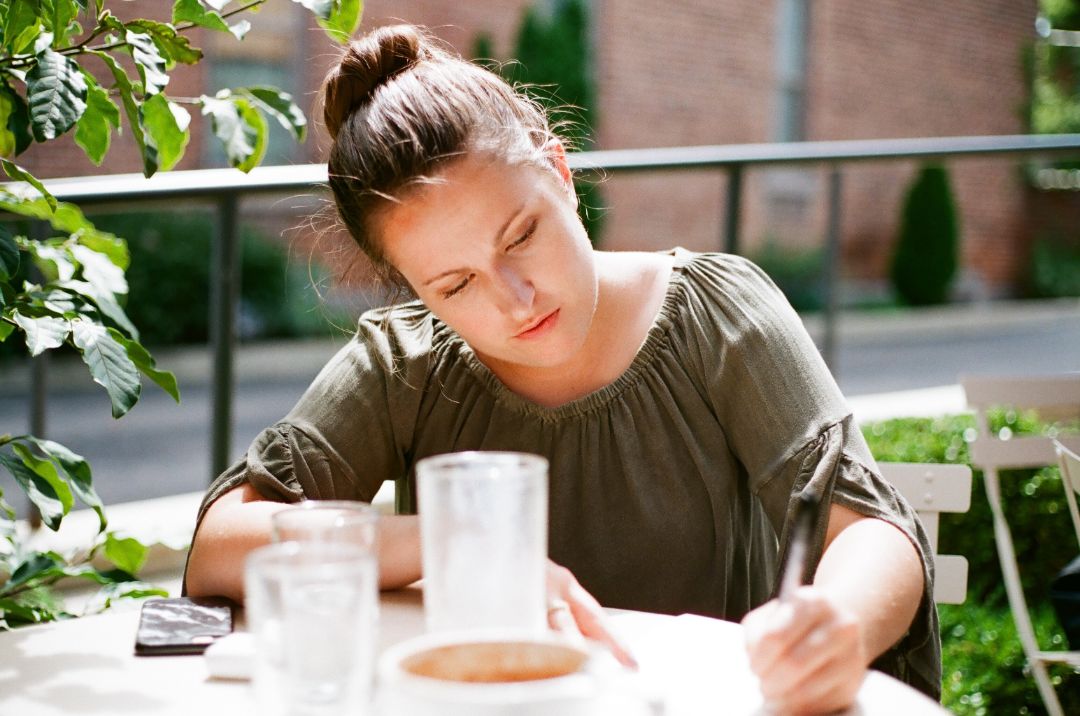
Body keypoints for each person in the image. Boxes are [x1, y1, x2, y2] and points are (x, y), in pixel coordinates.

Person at [184, 24, 940, 713]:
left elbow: (871, 531)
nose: (514, 300)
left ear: (559, 172)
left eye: (520, 236)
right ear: (414, 290)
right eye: (454, 286)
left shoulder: (718, 313)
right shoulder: (403, 361)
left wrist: (835, 623)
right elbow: (220, 543)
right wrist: (448, 544)